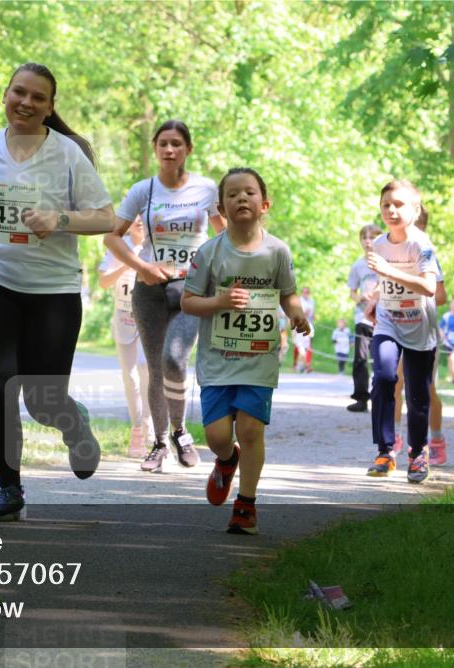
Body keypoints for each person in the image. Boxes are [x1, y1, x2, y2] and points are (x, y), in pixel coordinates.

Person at [0, 63, 114, 522]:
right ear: (5, 94)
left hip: (53, 291)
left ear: (50, 107)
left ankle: (74, 424)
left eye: (39, 97)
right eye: (20, 92)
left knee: (42, 399)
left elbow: (105, 217)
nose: (27, 103)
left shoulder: (69, 155)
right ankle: (9, 488)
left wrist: (59, 221)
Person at [182, 167, 310, 535]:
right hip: (218, 359)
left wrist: (296, 312)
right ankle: (226, 460)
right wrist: (220, 301)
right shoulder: (209, 252)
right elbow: (189, 302)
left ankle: (245, 505)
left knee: (251, 430)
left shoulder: (277, 251)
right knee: (219, 436)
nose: (242, 198)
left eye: (249, 193)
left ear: (264, 204)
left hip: (259, 357)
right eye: (233, 194)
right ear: (221, 208)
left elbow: (287, 293)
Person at [104, 120, 223, 473]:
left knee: (175, 359)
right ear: (155, 149)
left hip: (192, 289)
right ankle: (158, 444)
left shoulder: (206, 189)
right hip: (150, 290)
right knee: (154, 367)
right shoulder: (143, 191)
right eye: (163, 144)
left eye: (176, 144)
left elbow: (225, 234)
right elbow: (112, 237)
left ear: (188, 149)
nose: (169, 150)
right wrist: (141, 266)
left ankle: (181, 432)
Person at [364, 181, 438, 484]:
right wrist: (375, 297)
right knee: (383, 377)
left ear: (415, 210)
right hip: (388, 322)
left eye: (399, 204)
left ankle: (418, 452)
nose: (392, 210)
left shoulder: (422, 245)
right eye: (386, 205)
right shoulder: (379, 244)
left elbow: (430, 287)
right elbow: (385, 281)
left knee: (418, 396)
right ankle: (385, 450)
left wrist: (388, 271)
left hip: (419, 326)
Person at [392, 205, 449, 463]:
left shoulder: (428, 255)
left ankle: (436, 438)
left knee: (426, 388)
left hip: (423, 331)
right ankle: (394, 437)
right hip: (397, 328)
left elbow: (441, 296)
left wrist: (415, 292)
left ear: (421, 225)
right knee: (395, 383)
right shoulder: (392, 254)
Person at [98, 217, 154, 457]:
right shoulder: (118, 246)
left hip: (149, 317)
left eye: (144, 215)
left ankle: (151, 425)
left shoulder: (155, 245)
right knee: (129, 375)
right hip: (124, 318)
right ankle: (137, 427)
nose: (140, 221)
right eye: (135, 217)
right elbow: (103, 281)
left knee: (145, 369)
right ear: (129, 222)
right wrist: (127, 264)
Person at [346, 224, 382, 412]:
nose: (368, 242)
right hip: (362, 317)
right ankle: (361, 398)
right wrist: (360, 297)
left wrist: (377, 295)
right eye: (365, 238)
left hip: (383, 318)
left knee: (381, 359)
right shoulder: (357, 265)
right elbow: (352, 292)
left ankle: (381, 397)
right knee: (360, 358)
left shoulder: (386, 262)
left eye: (373, 238)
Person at [294, 286, 316, 371]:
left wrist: (313, 316)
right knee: (300, 346)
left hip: (309, 325)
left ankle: (305, 365)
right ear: (301, 293)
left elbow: (312, 313)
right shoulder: (299, 301)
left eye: (307, 292)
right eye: (304, 292)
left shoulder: (312, 301)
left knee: (307, 346)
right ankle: (306, 365)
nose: (306, 293)